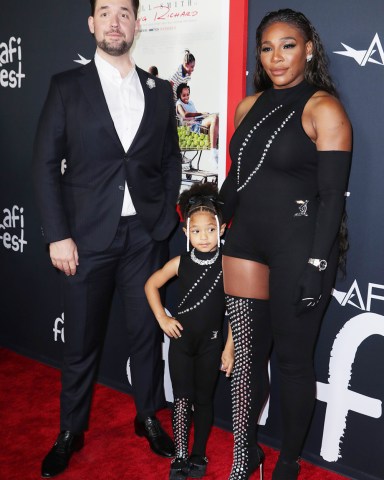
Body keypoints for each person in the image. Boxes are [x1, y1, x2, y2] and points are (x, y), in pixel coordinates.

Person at [33, 0, 181, 477]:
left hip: (144, 238)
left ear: (136, 23)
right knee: (80, 342)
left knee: (145, 334)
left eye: (124, 11)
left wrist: (161, 220)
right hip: (86, 238)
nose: (115, 21)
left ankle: (147, 418)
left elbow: (171, 160)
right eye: (105, 11)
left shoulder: (160, 91)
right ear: (91, 23)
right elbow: (43, 166)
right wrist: (58, 235)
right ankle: (71, 431)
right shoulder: (66, 87)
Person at [219, 8, 352, 480]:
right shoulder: (247, 107)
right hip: (244, 245)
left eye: (288, 45)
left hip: (300, 248)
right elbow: (236, 180)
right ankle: (246, 453)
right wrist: (213, 219)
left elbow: (333, 197)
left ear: (309, 49)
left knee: (293, 363)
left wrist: (317, 264)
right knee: (248, 361)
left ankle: (289, 461)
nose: (277, 57)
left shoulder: (323, 108)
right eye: (267, 47)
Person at [145, 183, 234, 479]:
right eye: (196, 231)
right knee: (182, 399)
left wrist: (229, 347)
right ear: (186, 233)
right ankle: (180, 455)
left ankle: (198, 453)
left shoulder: (228, 265)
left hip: (211, 344)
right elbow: (151, 285)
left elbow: (236, 310)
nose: (204, 237)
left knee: (204, 400)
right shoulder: (180, 263)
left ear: (221, 229)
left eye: (210, 229)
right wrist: (162, 319)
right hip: (181, 343)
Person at [176, 83, 219, 165]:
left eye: (188, 95)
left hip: (198, 123)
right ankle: (213, 153)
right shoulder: (179, 104)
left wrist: (204, 115)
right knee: (214, 118)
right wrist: (201, 113)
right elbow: (185, 115)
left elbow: (196, 115)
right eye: (184, 95)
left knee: (216, 117)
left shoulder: (191, 103)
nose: (186, 97)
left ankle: (216, 151)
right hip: (192, 129)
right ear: (179, 95)